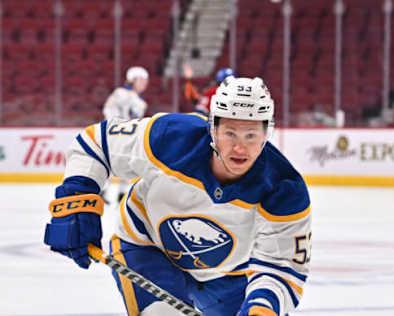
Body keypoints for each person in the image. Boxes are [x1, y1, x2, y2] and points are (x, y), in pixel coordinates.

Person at [44, 76, 311, 316]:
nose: (240, 147)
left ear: (267, 134)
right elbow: (94, 143)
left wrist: (263, 307)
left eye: (251, 134)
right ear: (213, 129)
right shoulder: (172, 136)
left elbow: (281, 266)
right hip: (145, 247)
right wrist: (76, 197)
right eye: (230, 132)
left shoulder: (284, 188)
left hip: (231, 275)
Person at [102, 66, 149, 203]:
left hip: (126, 136)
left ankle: (121, 194)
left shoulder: (140, 101)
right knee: (116, 163)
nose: (145, 83)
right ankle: (104, 190)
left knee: (126, 164)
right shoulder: (121, 93)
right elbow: (109, 112)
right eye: (142, 80)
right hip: (117, 135)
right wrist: (115, 128)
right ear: (133, 79)